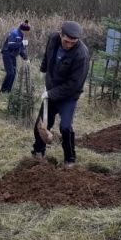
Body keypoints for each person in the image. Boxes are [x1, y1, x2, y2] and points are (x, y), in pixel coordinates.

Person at [33, 21, 89, 167]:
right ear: (60, 35)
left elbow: (73, 85)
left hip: (68, 96)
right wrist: (43, 70)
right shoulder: (53, 39)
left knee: (65, 127)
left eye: (73, 42)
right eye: (66, 41)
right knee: (42, 124)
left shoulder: (81, 54)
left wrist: (51, 94)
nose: (69, 45)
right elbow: (48, 55)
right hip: (51, 88)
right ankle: (38, 152)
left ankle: (69, 159)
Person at [0, 20, 31, 93]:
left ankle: (8, 91)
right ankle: (3, 91)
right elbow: (11, 44)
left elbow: (21, 49)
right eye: (26, 31)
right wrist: (21, 43)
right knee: (10, 73)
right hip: (7, 53)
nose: (27, 33)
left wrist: (26, 58)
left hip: (13, 55)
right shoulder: (14, 33)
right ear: (23, 29)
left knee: (13, 73)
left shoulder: (21, 35)